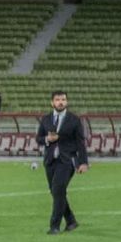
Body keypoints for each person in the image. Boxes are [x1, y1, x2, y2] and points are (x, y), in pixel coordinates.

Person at [37, 89, 89, 234]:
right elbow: (38, 138)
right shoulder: (46, 119)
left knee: (58, 189)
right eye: (58, 100)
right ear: (52, 102)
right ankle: (71, 221)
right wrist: (47, 139)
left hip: (67, 161)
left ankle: (54, 226)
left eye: (63, 99)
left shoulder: (74, 119)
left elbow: (80, 142)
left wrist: (83, 162)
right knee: (56, 192)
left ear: (67, 102)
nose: (61, 102)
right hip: (50, 161)